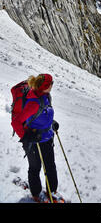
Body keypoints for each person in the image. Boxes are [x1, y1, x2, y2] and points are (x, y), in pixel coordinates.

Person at [11, 73, 59, 202]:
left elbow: (43, 113)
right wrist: (26, 136)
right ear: (46, 86)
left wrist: (51, 123)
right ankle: (36, 194)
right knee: (35, 168)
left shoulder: (46, 96)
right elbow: (16, 122)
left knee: (50, 166)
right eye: (51, 83)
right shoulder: (33, 103)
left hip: (47, 138)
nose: (53, 85)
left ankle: (52, 191)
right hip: (33, 142)